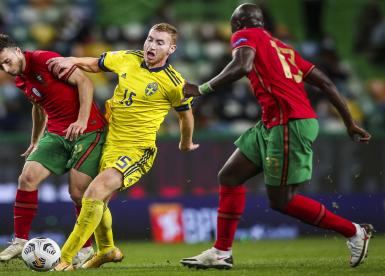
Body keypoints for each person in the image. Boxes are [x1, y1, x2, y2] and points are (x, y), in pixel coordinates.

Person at [180, 3, 373, 270]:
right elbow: (326, 81)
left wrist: (201, 88)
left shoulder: (244, 35)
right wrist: (349, 122)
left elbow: (242, 64)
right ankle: (221, 252)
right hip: (274, 122)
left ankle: (353, 231)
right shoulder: (283, 48)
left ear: (238, 25)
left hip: (288, 122)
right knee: (230, 175)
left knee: (282, 200)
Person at [46, 23, 199, 271]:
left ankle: (65, 258)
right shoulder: (128, 58)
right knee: (95, 200)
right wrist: (72, 60)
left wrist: (185, 142)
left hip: (137, 150)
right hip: (109, 142)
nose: (151, 45)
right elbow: (96, 64)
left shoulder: (173, 83)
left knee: (93, 194)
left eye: (159, 42)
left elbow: (185, 116)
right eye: (150, 39)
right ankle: (107, 250)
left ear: (171, 48)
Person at [0, 33, 106, 267]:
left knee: (78, 193)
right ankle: (20, 240)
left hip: (88, 130)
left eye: (7, 61)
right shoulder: (20, 79)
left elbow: (85, 82)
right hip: (57, 133)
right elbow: (39, 107)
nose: (7, 69)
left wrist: (81, 120)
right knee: (27, 178)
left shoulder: (45, 60)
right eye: (1, 66)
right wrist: (35, 139)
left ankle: (87, 247)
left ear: (17, 50)